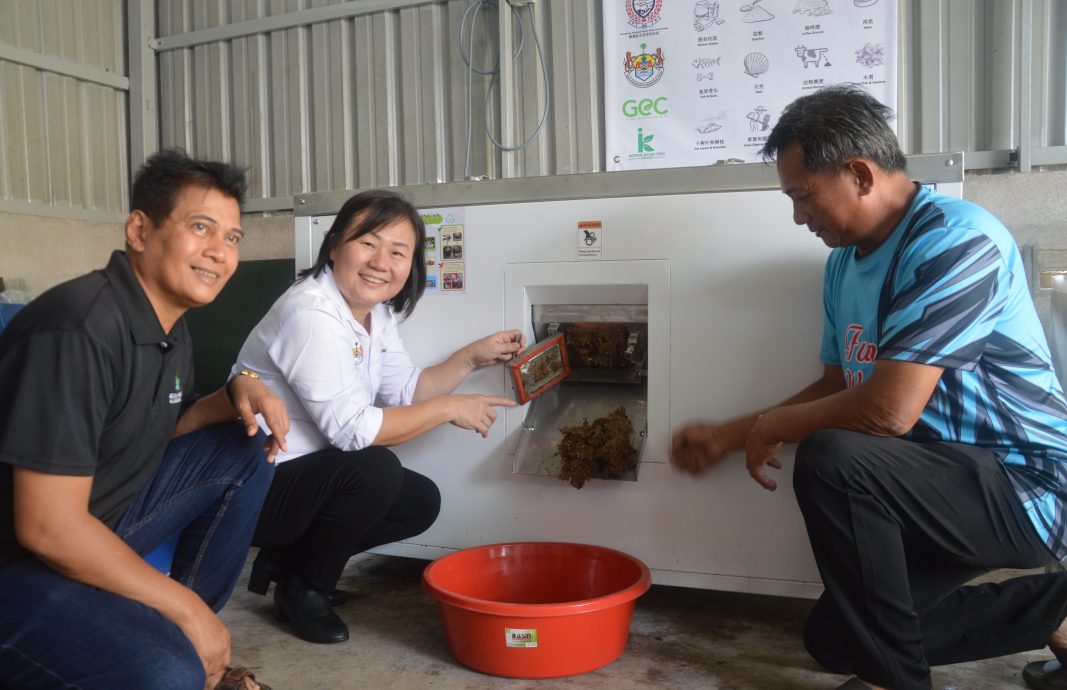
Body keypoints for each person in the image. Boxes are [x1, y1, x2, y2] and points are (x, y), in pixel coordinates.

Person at [670, 84, 1067, 690]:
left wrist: (775, 428)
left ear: (859, 173)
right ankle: (1056, 612)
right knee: (832, 639)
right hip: (938, 486)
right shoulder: (843, 263)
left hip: (1025, 485)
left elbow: (886, 412)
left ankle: (895, 679)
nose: (799, 217)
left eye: (803, 196)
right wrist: (731, 434)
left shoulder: (956, 241)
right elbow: (838, 385)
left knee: (833, 457)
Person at [0, 149, 290, 690]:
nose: (219, 252)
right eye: (200, 227)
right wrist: (184, 607)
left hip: (97, 520)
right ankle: (179, 649)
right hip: (20, 562)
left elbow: (154, 430)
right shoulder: (78, 330)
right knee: (163, 673)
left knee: (243, 446)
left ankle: (182, 645)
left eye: (231, 238)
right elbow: (46, 526)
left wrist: (233, 394)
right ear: (139, 229)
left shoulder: (166, 325)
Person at [233, 189, 523, 644]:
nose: (380, 262)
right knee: (374, 470)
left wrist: (469, 359)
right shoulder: (310, 314)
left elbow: (406, 391)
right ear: (334, 246)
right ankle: (305, 589)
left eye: (397, 251)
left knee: (417, 502)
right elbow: (353, 433)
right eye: (368, 242)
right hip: (253, 483)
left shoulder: (375, 314)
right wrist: (449, 408)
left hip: (302, 476)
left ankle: (290, 566)